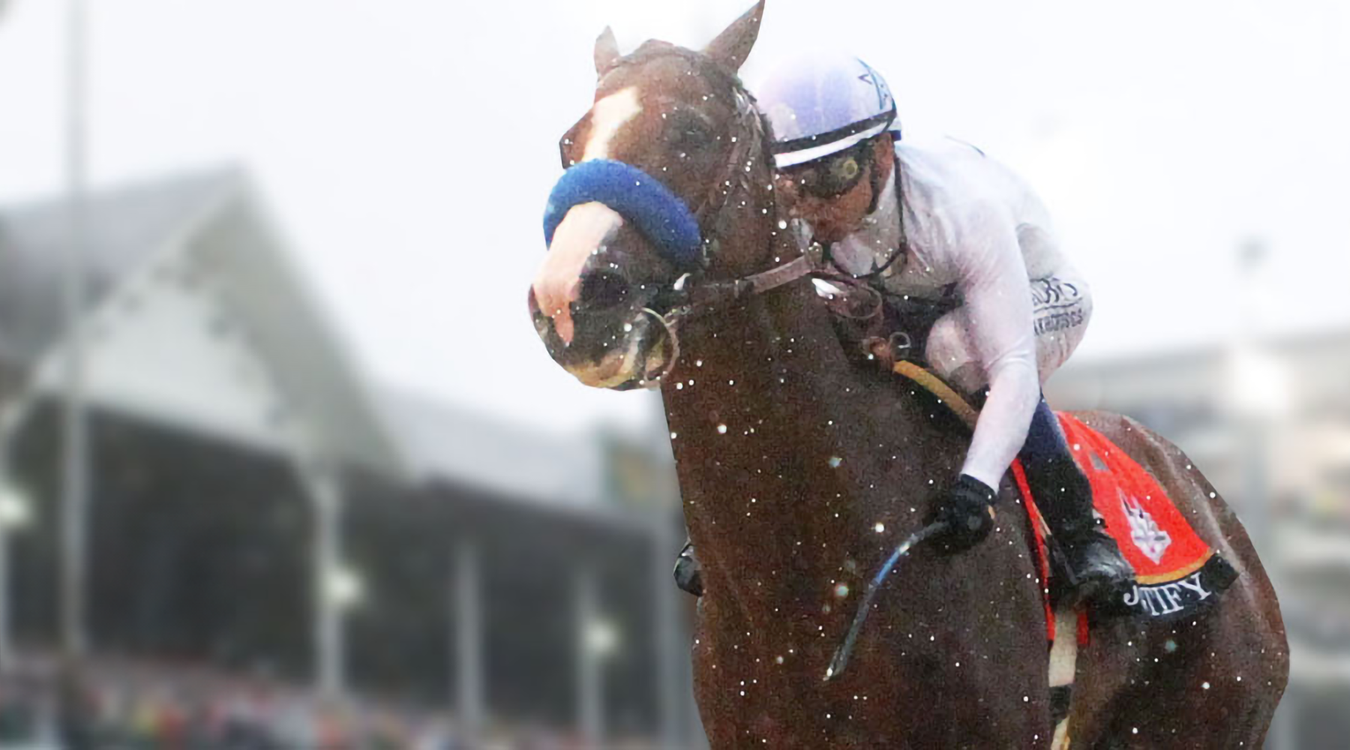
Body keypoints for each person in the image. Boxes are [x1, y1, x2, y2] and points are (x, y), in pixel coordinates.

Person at [674, 51, 1134, 606]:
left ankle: (1082, 531)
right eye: (791, 183)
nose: (812, 206)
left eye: (831, 177)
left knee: (953, 349)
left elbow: (1012, 368)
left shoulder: (961, 210)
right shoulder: (803, 209)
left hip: (1038, 292)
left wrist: (977, 484)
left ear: (883, 156)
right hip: (921, 299)